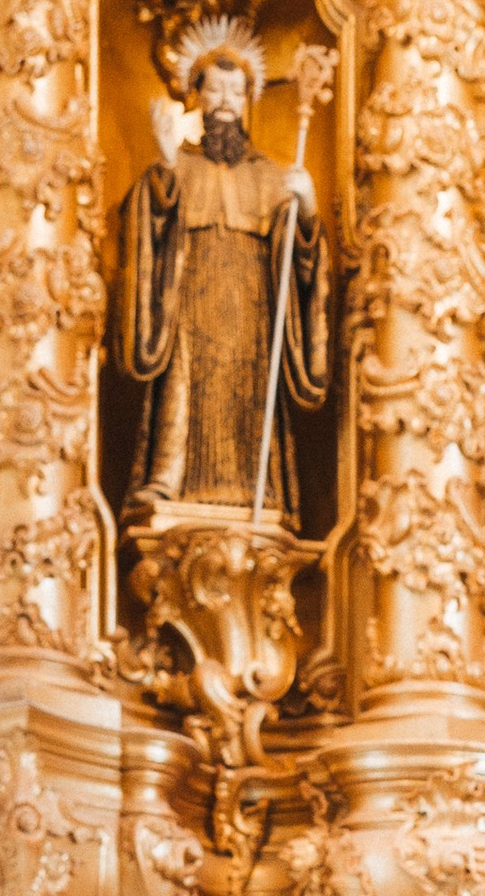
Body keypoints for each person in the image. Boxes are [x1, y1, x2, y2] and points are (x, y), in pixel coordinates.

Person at [113, 27, 330, 526]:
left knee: (251, 387)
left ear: (249, 99)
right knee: (185, 385)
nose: (225, 102)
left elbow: (301, 260)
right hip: (190, 295)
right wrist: (165, 166)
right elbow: (148, 226)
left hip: (252, 303)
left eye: (236, 92)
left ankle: (259, 486)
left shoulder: (272, 175)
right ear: (197, 95)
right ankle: (172, 478)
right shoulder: (178, 165)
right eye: (214, 89)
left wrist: (308, 208)